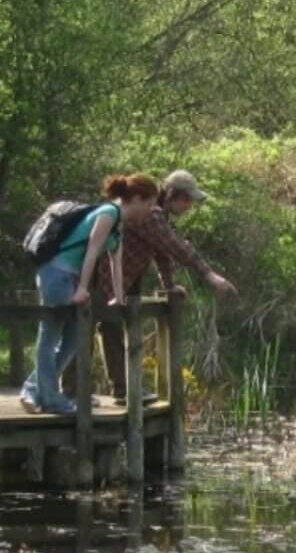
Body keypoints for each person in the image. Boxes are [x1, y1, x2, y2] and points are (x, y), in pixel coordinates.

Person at [67, 169, 236, 406]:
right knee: (85, 330)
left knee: (110, 330)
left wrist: (169, 285)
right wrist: (209, 275)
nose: (189, 206)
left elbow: (162, 253)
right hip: (100, 276)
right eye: (186, 199)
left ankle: (121, 389)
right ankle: (74, 390)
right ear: (172, 195)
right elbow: (175, 246)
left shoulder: (157, 216)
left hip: (119, 281)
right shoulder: (151, 214)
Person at [20, 174, 159, 415]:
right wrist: (83, 289)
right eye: (148, 205)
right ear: (136, 199)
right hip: (56, 273)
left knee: (75, 337)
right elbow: (92, 253)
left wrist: (119, 297)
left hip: (67, 278)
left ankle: (33, 389)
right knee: (51, 335)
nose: (150, 211)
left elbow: (116, 261)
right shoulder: (108, 214)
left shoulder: (119, 223)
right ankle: (50, 398)